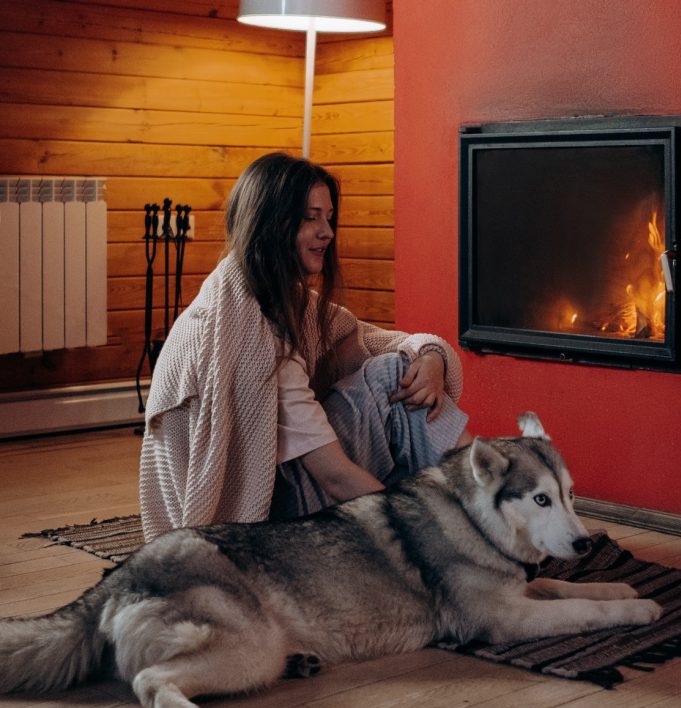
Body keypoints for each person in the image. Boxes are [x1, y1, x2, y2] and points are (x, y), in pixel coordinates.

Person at [139, 152, 471, 542]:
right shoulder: (243, 338)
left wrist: (431, 358)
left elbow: (381, 343)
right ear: (270, 224)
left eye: (328, 217)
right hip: (265, 523)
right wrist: (412, 534)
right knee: (396, 386)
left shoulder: (281, 303)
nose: (327, 231)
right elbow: (334, 477)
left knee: (400, 372)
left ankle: (491, 497)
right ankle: (492, 502)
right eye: (311, 217)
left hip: (288, 489)